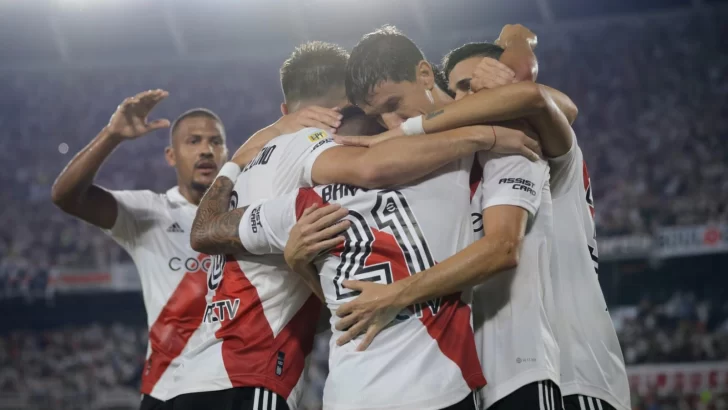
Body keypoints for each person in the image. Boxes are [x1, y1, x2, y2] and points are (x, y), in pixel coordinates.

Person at [177, 41, 542, 410]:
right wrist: (485, 134)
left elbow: (204, 231)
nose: (392, 124)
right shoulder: (443, 164)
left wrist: (244, 155)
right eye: (379, 114)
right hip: (429, 390)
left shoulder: (301, 203)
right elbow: (373, 167)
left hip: (326, 391)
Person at [330, 25, 580, 409]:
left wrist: (396, 295)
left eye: (395, 104)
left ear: (424, 74)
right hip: (455, 379)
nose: (391, 124)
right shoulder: (413, 164)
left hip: (518, 366)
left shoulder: (508, 137)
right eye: (379, 117)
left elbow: (502, 249)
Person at [443, 40, 630, 410]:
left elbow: (540, 100)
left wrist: (517, 47)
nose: (465, 98)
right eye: (456, 90)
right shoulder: (467, 173)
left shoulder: (538, 147)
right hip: (502, 379)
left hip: (576, 374)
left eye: (474, 83)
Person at [50, 90, 229, 410]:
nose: (206, 150)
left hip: (238, 386)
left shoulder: (250, 216)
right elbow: (66, 196)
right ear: (171, 156)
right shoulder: (151, 211)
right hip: (170, 392)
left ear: (226, 153)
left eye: (216, 142)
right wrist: (111, 135)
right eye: (194, 141)